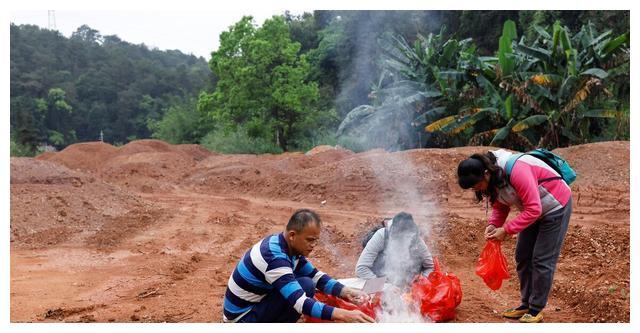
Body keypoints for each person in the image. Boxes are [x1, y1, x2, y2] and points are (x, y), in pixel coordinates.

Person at [457, 149, 573, 323]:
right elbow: (501, 206)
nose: (476, 189)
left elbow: (534, 209)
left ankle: (536, 309)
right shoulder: (493, 180)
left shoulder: (518, 170)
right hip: (534, 210)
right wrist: (493, 225)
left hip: (555, 206)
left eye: (476, 185)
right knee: (523, 256)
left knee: (541, 259)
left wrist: (506, 230)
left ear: (486, 174)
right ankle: (525, 304)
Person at [222, 208, 375, 323]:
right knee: (304, 287)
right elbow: (300, 303)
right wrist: (345, 314)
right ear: (293, 235)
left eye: (315, 240)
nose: (313, 245)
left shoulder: (285, 246)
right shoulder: (275, 259)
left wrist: (346, 291)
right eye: (310, 240)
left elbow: (315, 276)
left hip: (254, 305)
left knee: (307, 283)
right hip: (241, 319)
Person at [355, 212, 434, 289]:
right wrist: (385, 287)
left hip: (408, 288)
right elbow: (361, 268)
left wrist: (421, 283)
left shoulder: (416, 239)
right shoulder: (381, 236)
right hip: (379, 284)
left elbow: (430, 267)